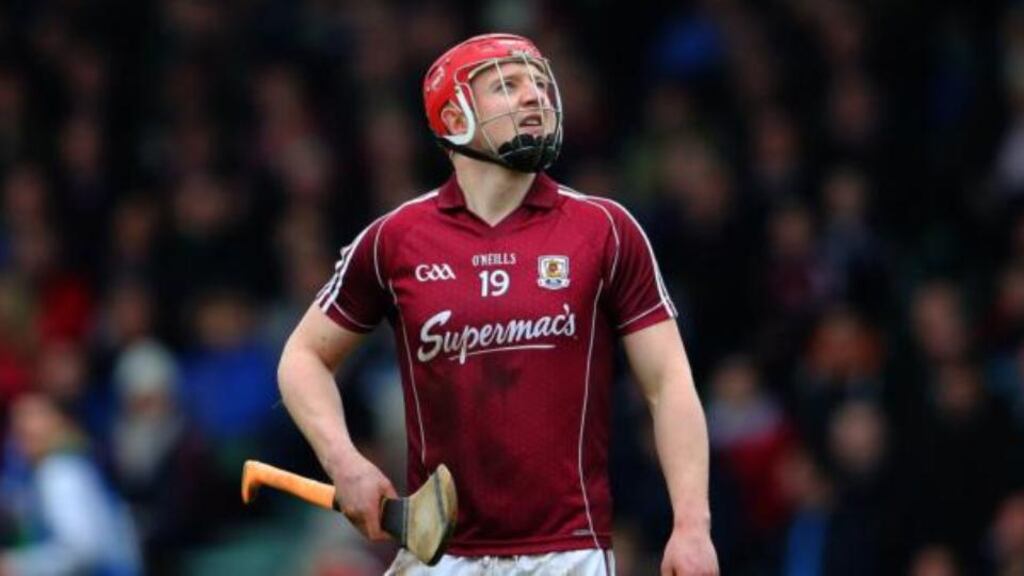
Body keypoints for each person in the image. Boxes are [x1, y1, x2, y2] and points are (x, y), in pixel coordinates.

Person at [278, 33, 718, 575]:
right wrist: (344, 462)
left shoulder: (605, 229)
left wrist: (692, 525)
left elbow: (669, 382)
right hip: (438, 557)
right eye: (506, 86)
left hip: (569, 552)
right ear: (453, 113)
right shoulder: (394, 239)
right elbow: (302, 357)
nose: (534, 96)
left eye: (537, 83)